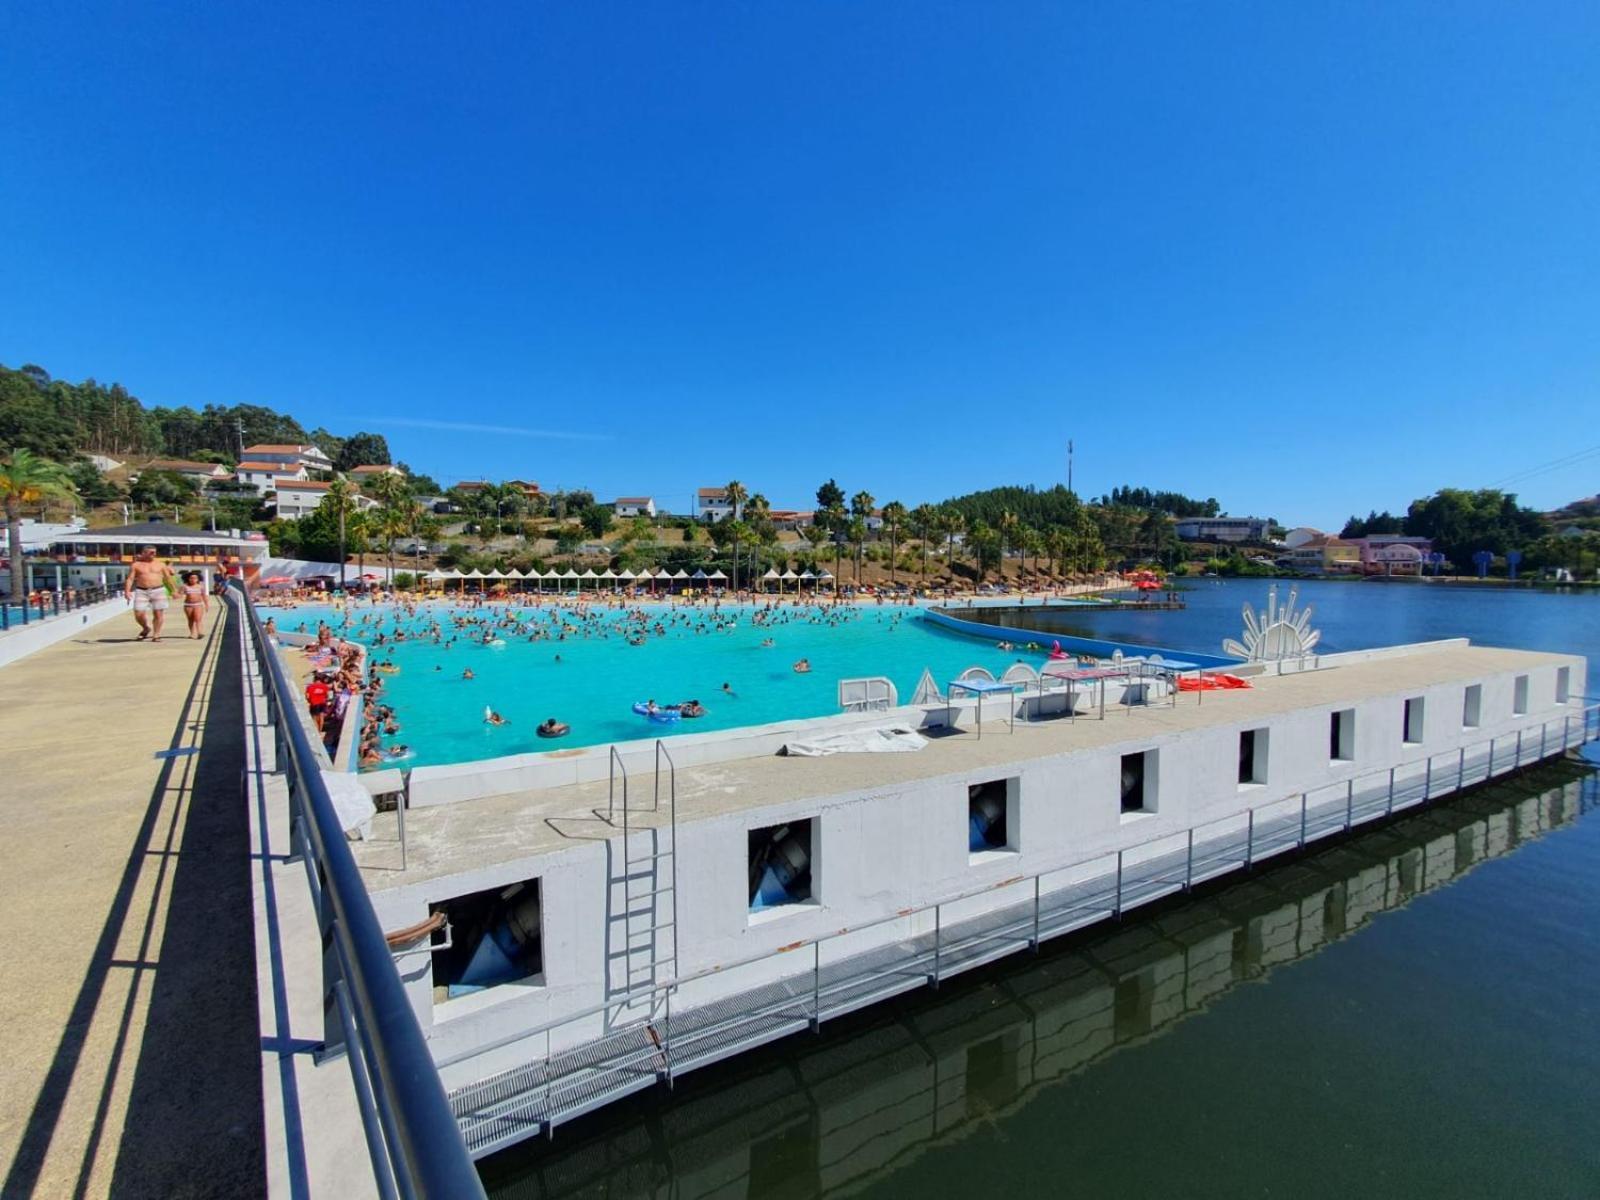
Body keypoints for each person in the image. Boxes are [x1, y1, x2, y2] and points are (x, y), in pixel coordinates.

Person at [123, 546, 176, 642]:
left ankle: (156, 635)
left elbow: (168, 578)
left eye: (155, 552)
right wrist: (127, 591)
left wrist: (174, 590)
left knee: (158, 613)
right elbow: (130, 579)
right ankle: (146, 628)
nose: (154, 554)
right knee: (138, 613)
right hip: (141, 590)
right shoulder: (136, 565)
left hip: (158, 589)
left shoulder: (160, 564)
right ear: (144, 553)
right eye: (151, 552)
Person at [179, 572, 209, 639]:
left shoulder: (200, 586)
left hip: (198, 604)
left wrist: (206, 604)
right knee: (190, 620)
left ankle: (200, 633)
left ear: (198, 579)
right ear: (188, 579)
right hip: (188, 605)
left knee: (198, 619)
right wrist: (176, 595)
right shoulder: (184, 586)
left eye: (195, 578)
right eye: (191, 578)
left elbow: (204, 596)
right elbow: (180, 594)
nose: (193, 579)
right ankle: (192, 633)